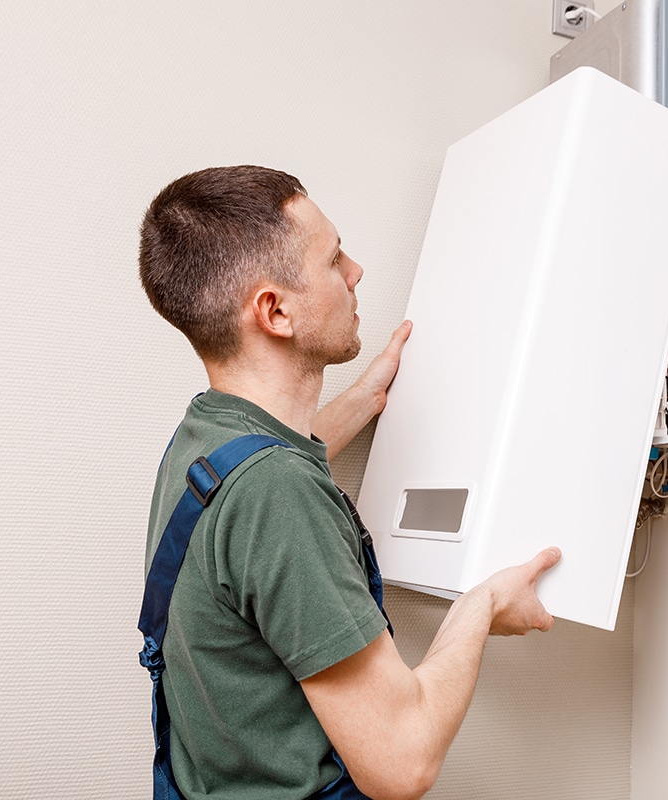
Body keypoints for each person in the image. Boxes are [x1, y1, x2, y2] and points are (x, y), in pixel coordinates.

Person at [138, 165, 561, 800]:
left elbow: (267, 476)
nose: (356, 271)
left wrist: (366, 398)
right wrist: (480, 607)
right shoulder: (277, 497)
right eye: (334, 258)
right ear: (275, 311)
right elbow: (402, 762)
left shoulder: (206, 440)